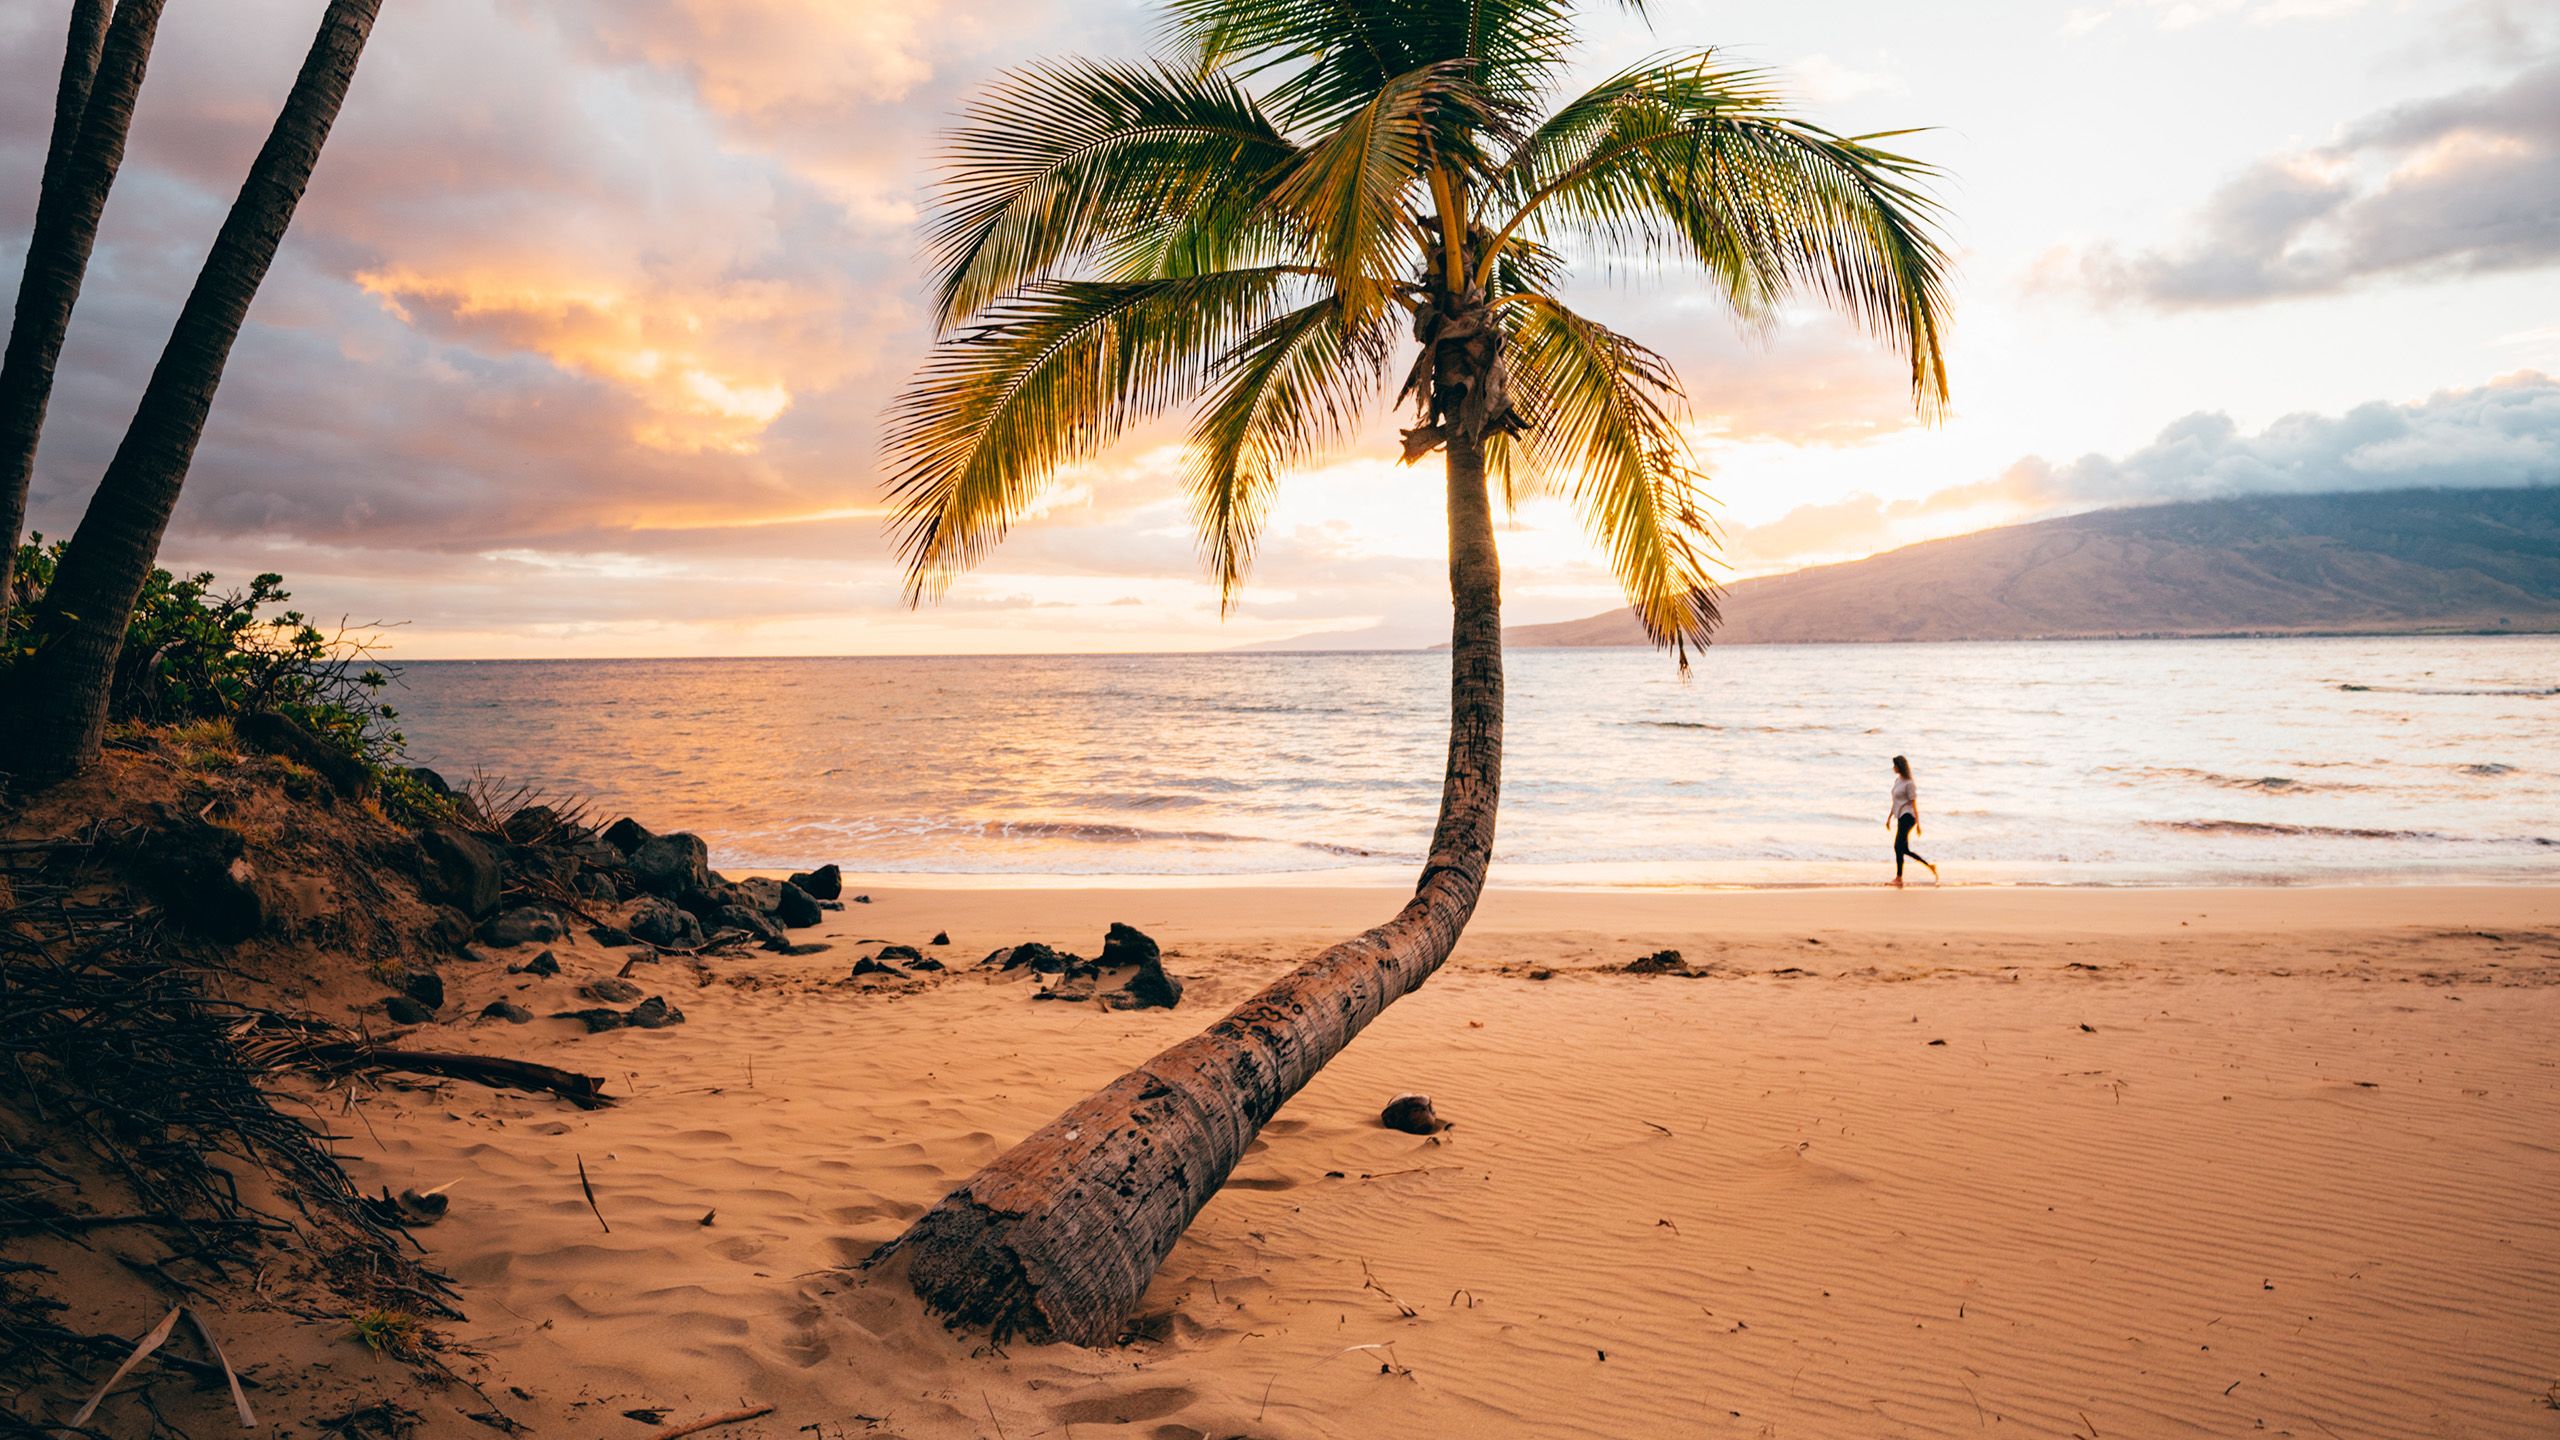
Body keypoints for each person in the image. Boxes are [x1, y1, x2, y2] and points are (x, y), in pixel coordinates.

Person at [1887, 755, 1939, 888]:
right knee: (1903, 849)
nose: (1893, 768)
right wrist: (1889, 817)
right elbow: (1895, 801)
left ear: (1900, 767)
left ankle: (1899, 878)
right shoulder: (1898, 780)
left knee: (1898, 846)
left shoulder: (1909, 783)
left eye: (1895, 765)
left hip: (1909, 817)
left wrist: (1918, 824)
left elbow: (1914, 803)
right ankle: (1930, 866)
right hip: (1900, 816)